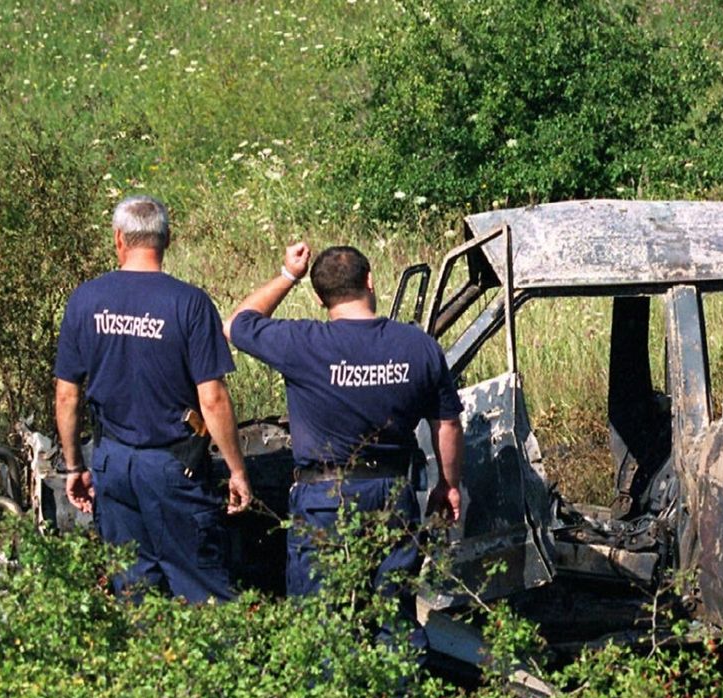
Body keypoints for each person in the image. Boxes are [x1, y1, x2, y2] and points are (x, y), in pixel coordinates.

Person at [222, 242, 463, 620]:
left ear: (319, 299)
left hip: (324, 499)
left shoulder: (302, 343)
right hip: (392, 497)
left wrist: (288, 275)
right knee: (393, 620)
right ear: (370, 280)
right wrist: (447, 484)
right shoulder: (419, 346)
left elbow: (236, 324)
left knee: (323, 623)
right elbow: (446, 423)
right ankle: (395, 680)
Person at [54, 194, 251, 603]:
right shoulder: (190, 303)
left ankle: (144, 665)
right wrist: (237, 470)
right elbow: (212, 399)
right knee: (202, 590)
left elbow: (66, 395)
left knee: (134, 591)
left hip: (112, 461)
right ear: (168, 239)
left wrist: (74, 465)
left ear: (119, 240)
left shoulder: (86, 300)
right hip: (173, 466)